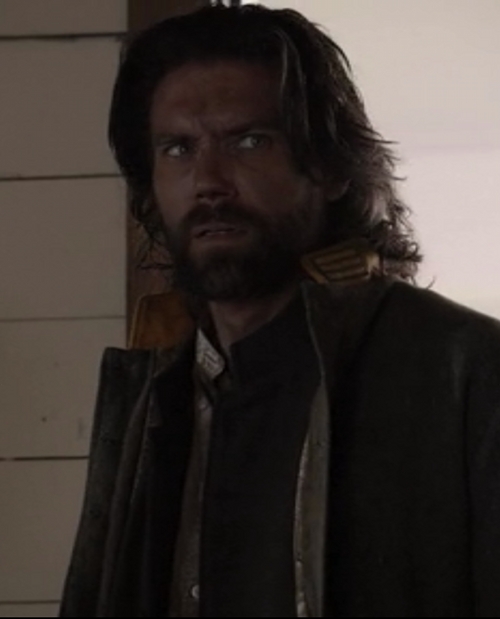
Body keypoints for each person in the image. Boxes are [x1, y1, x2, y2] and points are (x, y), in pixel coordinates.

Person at [60, 4, 500, 618]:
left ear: (330, 169)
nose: (209, 180)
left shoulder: (465, 370)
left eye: (249, 141)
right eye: (178, 148)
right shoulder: (153, 390)